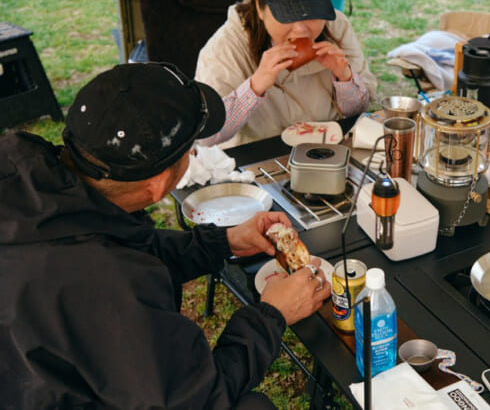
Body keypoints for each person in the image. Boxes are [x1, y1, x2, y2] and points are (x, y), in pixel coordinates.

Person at [0, 63, 331, 409]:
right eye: (191, 150)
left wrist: (222, 241)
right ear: (157, 184)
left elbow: (119, 244)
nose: (192, 155)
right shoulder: (108, 285)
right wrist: (272, 315)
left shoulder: (26, 177)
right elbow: (197, 397)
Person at [195, 0, 377, 148]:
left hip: (326, 150)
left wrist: (345, 78)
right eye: (287, 15)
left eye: (312, 13)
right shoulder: (227, 45)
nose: (301, 30)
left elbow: (361, 112)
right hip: (257, 158)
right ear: (260, 8)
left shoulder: (337, 27)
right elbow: (205, 136)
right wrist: (254, 88)